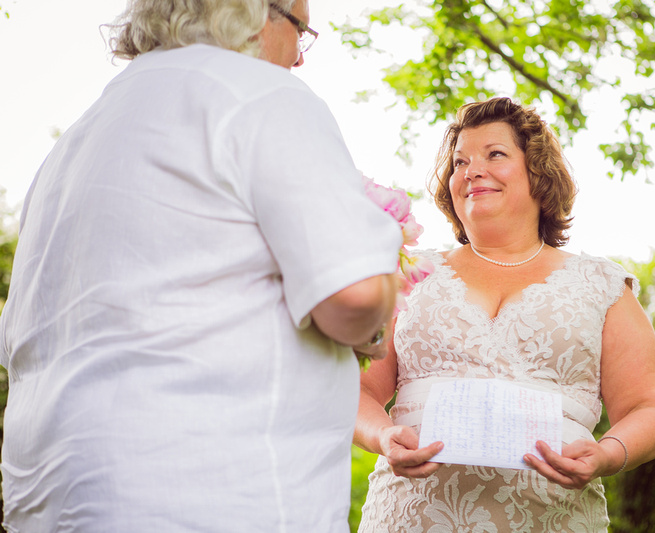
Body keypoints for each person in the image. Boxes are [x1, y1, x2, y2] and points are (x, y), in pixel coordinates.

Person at [0, 1, 402, 531]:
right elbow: (354, 296)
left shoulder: (73, 144)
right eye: (300, 31)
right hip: (210, 492)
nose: (300, 59)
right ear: (256, 12)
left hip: (50, 497)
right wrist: (377, 291)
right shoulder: (260, 92)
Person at [354, 97, 655, 532]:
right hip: (409, 517)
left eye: (495, 155)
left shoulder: (600, 285)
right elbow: (356, 391)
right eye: (460, 161)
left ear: (537, 173)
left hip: (554, 519)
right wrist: (382, 437)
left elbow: (649, 407)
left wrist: (609, 453)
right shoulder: (410, 273)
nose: (472, 170)